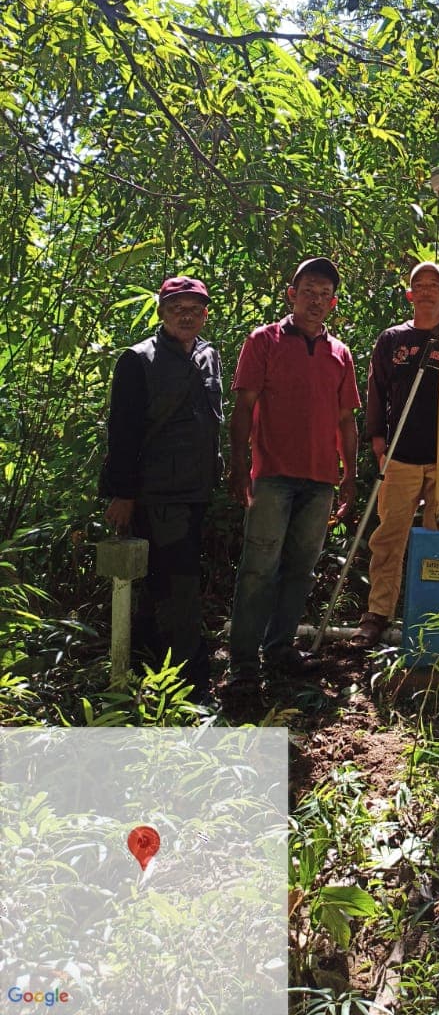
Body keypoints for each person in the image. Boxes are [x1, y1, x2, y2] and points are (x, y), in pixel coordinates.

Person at [228, 257, 360, 686]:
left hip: (320, 480)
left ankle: (280, 647)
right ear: (292, 294)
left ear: (333, 302)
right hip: (272, 476)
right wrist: (238, 465)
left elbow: (346, 420)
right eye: (308, 292)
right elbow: (243, 407)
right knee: (258, 568)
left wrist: (350, 476)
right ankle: (244, 663)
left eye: (324, 295)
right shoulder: (263, 341)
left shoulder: (339, 353)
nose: (316, 301)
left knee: (300, 568)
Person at [101, 275, 222, 699]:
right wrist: (122, 494)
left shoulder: (208, 355)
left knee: (166, 585)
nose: (186, 316)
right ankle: (192, 686)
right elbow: (123, 432)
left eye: (194, 309)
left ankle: (148, 670)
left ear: (205, 314)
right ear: (161, 313)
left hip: (196, 491)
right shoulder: (138, 360)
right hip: (158, 494)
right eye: (176, 308)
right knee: (179, 589)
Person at [355, 261, 439, 646]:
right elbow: (376, 390)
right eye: (420, 284)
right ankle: (378, 613)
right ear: (410, 293)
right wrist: (377, 437)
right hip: (400, 452)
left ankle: (433, 617)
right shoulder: (392, 340)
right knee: (388, 534)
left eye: (435, 284)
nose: (427, 290)